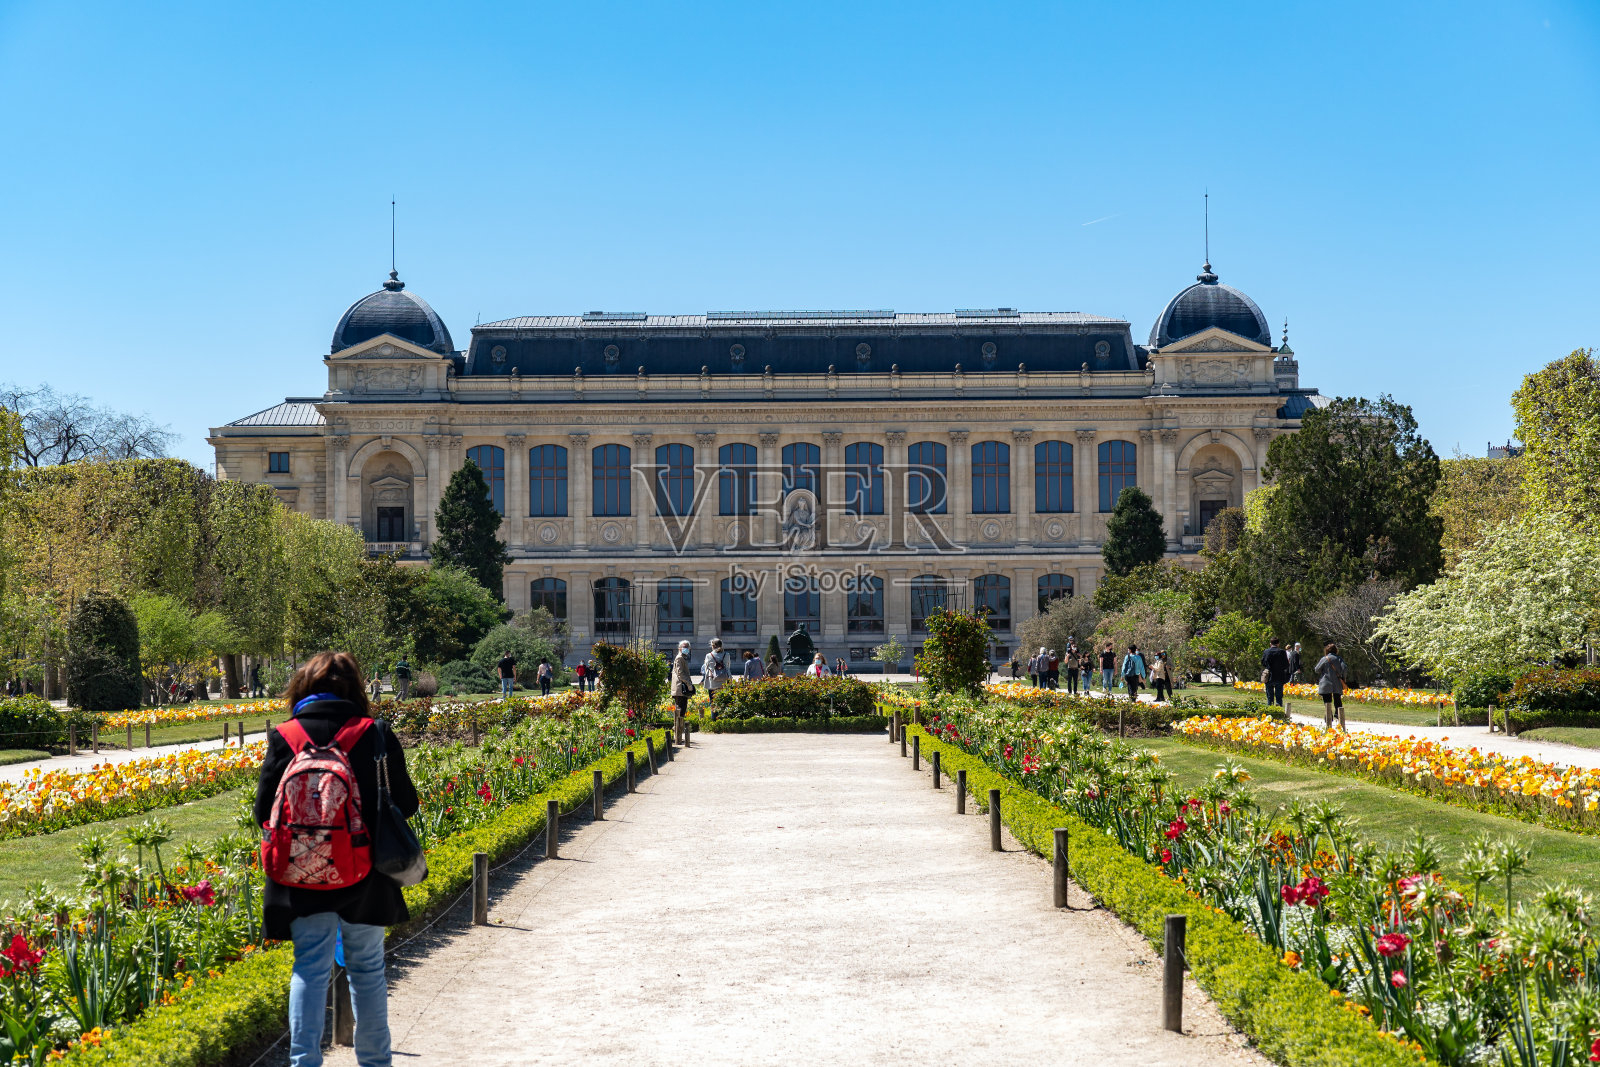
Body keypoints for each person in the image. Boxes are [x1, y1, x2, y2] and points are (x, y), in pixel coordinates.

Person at [254, 651, 418, 1067]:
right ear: (356, 687)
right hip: (365, 874)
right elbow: (407, 804)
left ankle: (304, 1061)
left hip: (301, 875)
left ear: (303, 687)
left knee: (309, 969)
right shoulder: (374, 733)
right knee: (367, 971)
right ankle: (375, 1063)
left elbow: (262, 814)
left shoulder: (286, 736)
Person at [1316, 642, 1348, 729]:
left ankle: (1328, 715)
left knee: (1327, 701)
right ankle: (1338, 716)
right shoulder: (1339, 659)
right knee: (1337, 699)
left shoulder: (1324, 659)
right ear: (1336, 650)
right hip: (1337, 682)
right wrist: (1343, 677)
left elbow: (1317, 669)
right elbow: (1344, 668)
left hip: (1326, 682)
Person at [1260, 638, 1291, 707]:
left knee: (1270, 696)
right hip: (1279, 676)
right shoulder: (1282, 652)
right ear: (1278, 644)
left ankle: (1270, 710)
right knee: (1279, 696)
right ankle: (1279, 710)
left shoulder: (1266, 651)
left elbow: (1263, 662)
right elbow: (1286, 664)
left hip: (1269, 675)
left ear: (1270, 644)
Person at [702, 639, 731, 710]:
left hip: (713, 681)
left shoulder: (709, 655)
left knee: (713, 702)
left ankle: (714, 718)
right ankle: (723, 718)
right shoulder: (726, 655)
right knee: (724, 701)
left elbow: (706, 668)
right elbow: (728, 667)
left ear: (713, 646)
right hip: (724, 680)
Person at [671, 640, 693, 720]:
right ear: (680, 648)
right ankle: (677, 728)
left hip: (682, 687)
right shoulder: (679, 658)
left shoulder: (683, 657)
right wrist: (689, 684)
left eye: (687, 647)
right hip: (680, 687)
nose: (686, 649)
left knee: (682, 709)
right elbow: (680, 673)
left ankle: (679, 727)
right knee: (680, 709)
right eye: (684, 647)